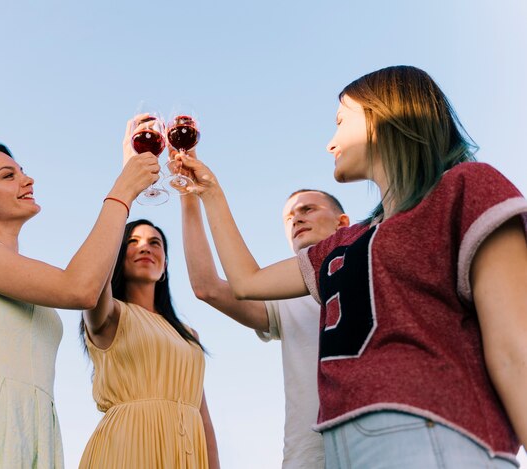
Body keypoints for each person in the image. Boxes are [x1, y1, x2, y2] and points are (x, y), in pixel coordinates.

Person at [179, 65, 527, 467]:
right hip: (342, 446)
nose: (330, 143)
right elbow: (245, 280)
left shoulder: (465, 187)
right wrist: (209, 192)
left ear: (383, 117)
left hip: (429, 436)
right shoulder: (344, 245)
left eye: (341, 121)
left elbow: (514, 350)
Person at [0, 126, 159, 468]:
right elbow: (79, 288)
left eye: (22, 172)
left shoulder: (19, 274)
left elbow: (91, 280)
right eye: (9, 175)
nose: (28, 180)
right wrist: (122, 190)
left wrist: (129, 172)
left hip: (32, 431)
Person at [181, 184, 349, 468]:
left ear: (342, 222)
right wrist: (188, 195)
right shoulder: (286, 296)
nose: (296, 219)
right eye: (288, 218)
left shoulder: (372, 258)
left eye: (307, 209)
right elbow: (207, 286)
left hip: (384, 440)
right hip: (308, 455)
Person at [78, 219, 219, 469]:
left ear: (165, 265)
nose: (145, 248)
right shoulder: (111, 315)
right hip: (127, 448)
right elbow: (94, 285)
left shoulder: (189, 335)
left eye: (155, 243)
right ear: (118, 256)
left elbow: (202, 415)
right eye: (132, 242)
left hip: (186, 453)